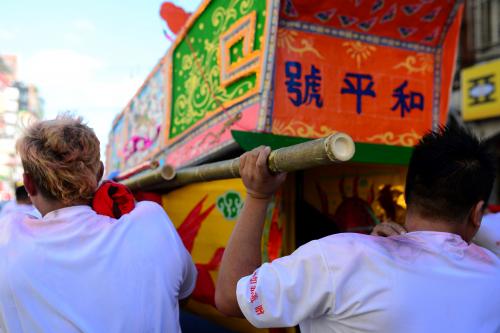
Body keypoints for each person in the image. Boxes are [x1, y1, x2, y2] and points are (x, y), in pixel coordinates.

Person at [215, 126, 500, 332]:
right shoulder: (494, 275)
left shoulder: (337, 258)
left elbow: (230, 298)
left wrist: (257, 195)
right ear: (477, 213)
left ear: (409, 195)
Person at [0, 115, 196, 332]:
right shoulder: (151, 221)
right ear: (100, 172)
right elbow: (183, 293)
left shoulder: (7, 238)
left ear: (28, 184)